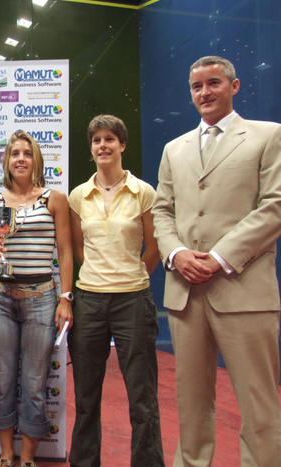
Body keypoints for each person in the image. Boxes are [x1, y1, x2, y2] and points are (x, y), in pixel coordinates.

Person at [152, 55, 281, 466]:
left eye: (213, 83)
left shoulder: (268, 136)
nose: (204, 92)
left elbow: (274, 206)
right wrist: (176, 253)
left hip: (244, 291)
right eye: (197, 86)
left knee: (259, 403)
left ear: (234, 86)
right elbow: (161, 211)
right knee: (190, 404)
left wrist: (220, 257)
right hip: (186, 293)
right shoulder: (174, 149)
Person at [68, 115, 164, 467]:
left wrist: (131, 276)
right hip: (89, 301)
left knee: (142, 398)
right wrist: (100, 276)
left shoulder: (144, 192)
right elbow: (79, 251)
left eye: (110, 139)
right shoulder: (78, 196)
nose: (103, 145)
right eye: (97, 140)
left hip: (133, 301)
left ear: (122, 145)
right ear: (91, 148)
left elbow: (154, 247)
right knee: (86, 398)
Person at [0, 130, 73, 467]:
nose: (20, 159)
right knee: (1, 381)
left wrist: (65, 298)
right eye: (15, 153)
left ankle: (28, 458)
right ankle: (6, 455)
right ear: (6, 161)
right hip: (0, 298)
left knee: (34, 383)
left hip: (42, 300)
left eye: (27, 153)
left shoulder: (54, 199)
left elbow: (66, 252)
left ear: (36, 160)